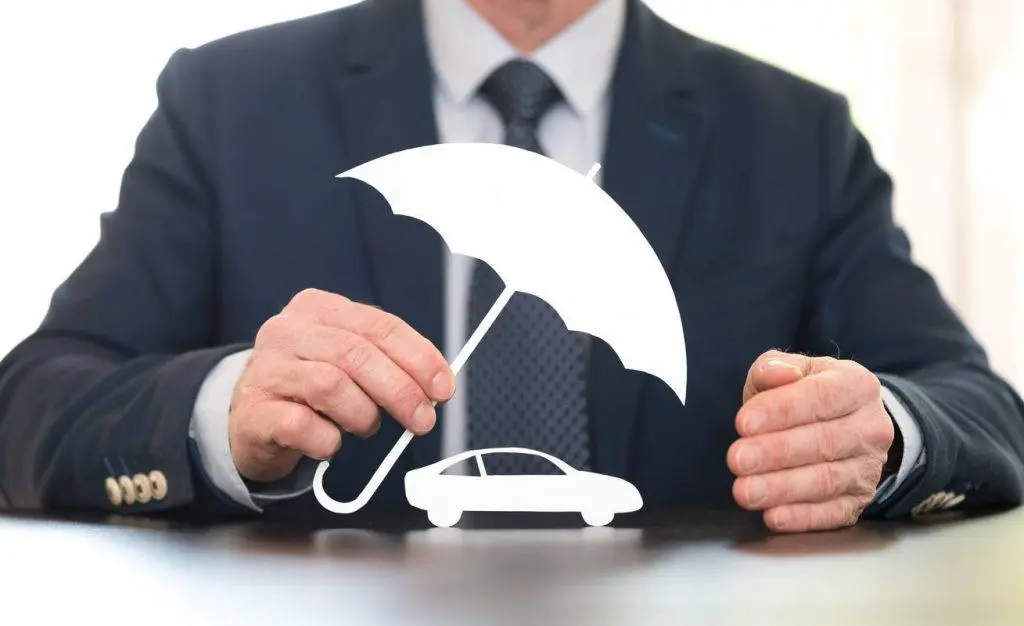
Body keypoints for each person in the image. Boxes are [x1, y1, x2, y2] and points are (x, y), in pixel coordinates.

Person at [1, 0, 1022, 533]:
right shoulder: (229, 102)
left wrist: (880, 434)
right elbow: (34, 402)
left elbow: (981, 409)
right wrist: (222, 410)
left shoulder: (793, 133)